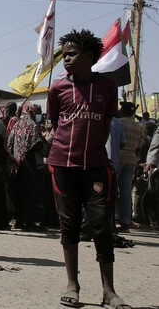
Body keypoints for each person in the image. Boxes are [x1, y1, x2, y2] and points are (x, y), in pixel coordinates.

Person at [47, 30, 129, 309]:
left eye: (72, 54)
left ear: (90, 56)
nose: (66, 59)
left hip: (96, 167)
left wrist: (94, 151)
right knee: (68, 225)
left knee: (101, 224)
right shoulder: (56, 89)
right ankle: (73, 285)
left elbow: (106, 124)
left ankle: (109, 291)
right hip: (61, 166)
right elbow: (56, 123)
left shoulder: (108, 87)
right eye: (64, 55)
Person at [115, 102, 143, 232]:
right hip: (131, 159)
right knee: (126, 191)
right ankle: (126, 221)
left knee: (113, 189)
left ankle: (113, 218)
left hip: (118, 157)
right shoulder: (138, 126)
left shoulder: (118, 122)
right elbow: (138, 145)